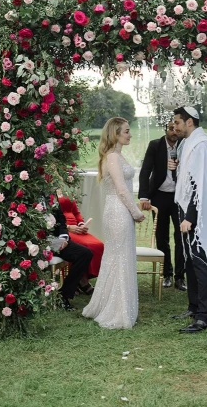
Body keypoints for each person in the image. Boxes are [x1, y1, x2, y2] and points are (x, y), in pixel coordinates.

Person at [82, 117, 145, 329]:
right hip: (118, 211)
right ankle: (117, 310)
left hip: (120, 210)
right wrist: (135, 212)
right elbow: (121, 188)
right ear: (115, 133)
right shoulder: (112, 158)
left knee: (119, 257)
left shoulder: (117, 156)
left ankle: (114, 304)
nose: (130, 134)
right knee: (119, 257)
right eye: (126, 131)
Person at [172, 105, 207, 334]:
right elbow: (187, 181)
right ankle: (194, 307)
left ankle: (205, 316)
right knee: (191, 262)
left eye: (177, 122)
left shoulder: (202, 146)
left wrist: (191, 218)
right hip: (188, 211)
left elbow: (200, 185)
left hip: (198, 214)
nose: (174, 127)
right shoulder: (189, 144)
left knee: (201, 262)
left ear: (190, 122)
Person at [138, 120, 186, 291]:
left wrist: (180, 167)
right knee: (161, 235)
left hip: (179, 197)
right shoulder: (155, 145)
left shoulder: (184, 144)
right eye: (171, 129)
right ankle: (167, 274)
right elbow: (145, 171)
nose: (174, 132)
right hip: (159, 195)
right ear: (165, 130)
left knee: (181, 236)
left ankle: (180, 277)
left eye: (176, 128)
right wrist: (144, 196)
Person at [56, 189, 105, 288]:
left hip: (77, 228)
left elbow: (76, 212)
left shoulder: (67, 189)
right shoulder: (50, 191)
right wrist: (68, 227)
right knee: (87, 246)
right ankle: (82, 280)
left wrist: (81, 224)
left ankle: (82, 276)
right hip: (64, 229)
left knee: (98, 245)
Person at [51, 205, 94, 310]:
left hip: (54, 240)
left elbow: (61, 219)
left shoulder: (50, 194)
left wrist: (63, 238)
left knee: (85, 253)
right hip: (36, 241)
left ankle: (63, 295)